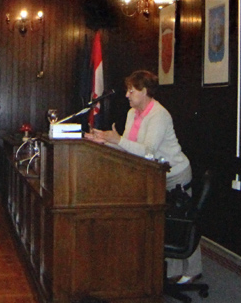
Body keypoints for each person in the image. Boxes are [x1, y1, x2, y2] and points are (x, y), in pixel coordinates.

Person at [85, 70, 202, 284]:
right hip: (153, 174)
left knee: (181, 221)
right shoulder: (132, 113)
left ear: (145, 91)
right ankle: (170, 271)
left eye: (131, 91)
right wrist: (104, 141)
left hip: (175, 173)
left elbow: (148, 151)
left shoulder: (159, 115)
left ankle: (193, 269)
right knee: (163, 220)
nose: (127, 95)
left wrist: (117, 140)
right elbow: (130, 148)